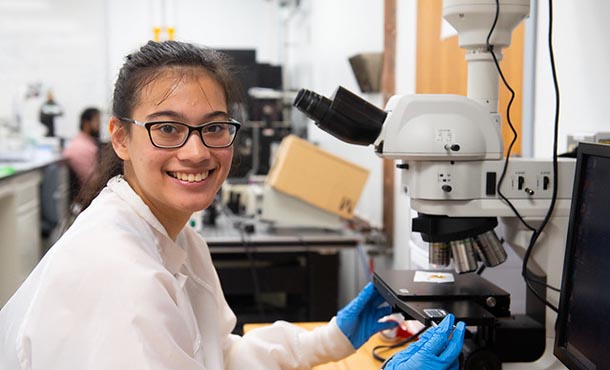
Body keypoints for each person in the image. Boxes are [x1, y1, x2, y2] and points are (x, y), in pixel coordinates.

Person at [0, 40, 464, 370]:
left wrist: (329, 339)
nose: (197, 152)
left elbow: (218, 359)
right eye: (167, 128)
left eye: (214, 127)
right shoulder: (119, 276)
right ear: (120, 137)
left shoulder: (178, 239)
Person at [62, 107, 101, 190]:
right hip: (89, 196)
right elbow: (93, 182)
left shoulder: (87, 143)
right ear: (86, 124)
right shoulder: (82, 147)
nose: (99, 126)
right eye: (97, 121)